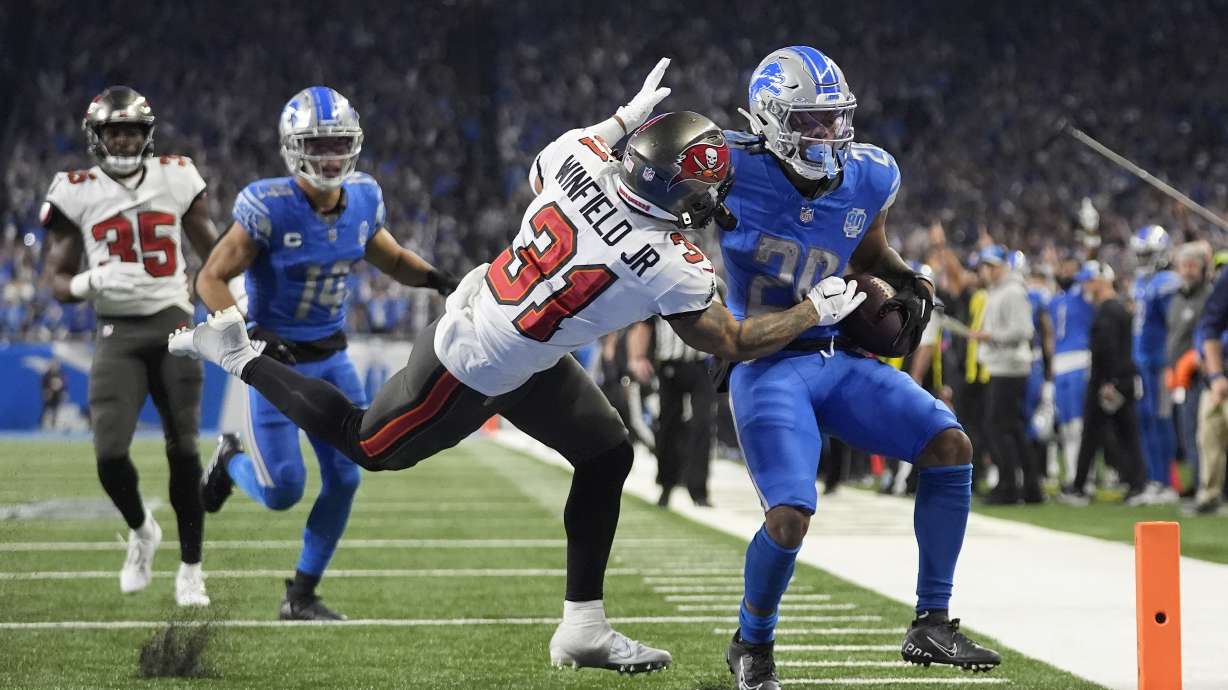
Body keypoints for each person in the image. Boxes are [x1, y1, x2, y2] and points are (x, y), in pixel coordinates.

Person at [171, 59, 867, 674]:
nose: (712, 208)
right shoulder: (664, 261)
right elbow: (734, 339)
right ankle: (242, 356)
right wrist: (814, 312)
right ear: (679, 197)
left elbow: (589, 144)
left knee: (606, 453)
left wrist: (625, 116)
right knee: (366, 444)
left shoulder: (579, 161)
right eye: (703, 196)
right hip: (474, 360)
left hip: (523, 336)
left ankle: (583, 628)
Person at [717, 47, 999, 690]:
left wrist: (908, 279)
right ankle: (752, 643)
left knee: (949, 443)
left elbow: (869, 250)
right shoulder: (727, 165)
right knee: (789, 515)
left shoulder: (867, 175)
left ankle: (933, 620)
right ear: (769, 120)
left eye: (833, 119)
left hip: (836, 355)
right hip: (767, 363)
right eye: (810, 122)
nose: (827, 135)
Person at [193, 86, 458, 620]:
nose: (330, 156)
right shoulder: (267, 206)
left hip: (334, 359)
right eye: (318, 145)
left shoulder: (362, 197)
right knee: (282, 491)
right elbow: (210, 278)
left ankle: (301, 595)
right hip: (275, 362)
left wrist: (441, 280)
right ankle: (230, 459)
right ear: (294, 148)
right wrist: (248, 340)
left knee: (348, 475)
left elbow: (393, 259)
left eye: (339, 144)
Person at [41, 86, 218, 606]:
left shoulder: (176, 176)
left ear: (147, 135)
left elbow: (214, 249)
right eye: (114, 130)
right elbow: (54, 277)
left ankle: (191, 568)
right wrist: (86, 283)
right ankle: (143, 532)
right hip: (117, 331)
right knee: (108, 453)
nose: (123, 139)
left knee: (184, 450)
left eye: (132, 131)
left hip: (173, 324)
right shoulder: (77, 190)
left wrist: (231, 298)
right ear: (96, 137)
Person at [1067, 261, 1147, 504]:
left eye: (1089, 281)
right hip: (1114, 379)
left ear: (1101, 281)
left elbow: (1109, 350)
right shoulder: (1113, 308)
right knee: (1112, 434)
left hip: (1109, 381)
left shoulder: (1109, 310)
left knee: (1117, 434)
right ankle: (1131, 484)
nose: (1085, 287)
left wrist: (1110, 382)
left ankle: (1135, 485)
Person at [972, 245, 1039, 504]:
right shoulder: (999, 291)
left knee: (997, 427)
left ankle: (1008, 486)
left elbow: (1023, 330)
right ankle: (1030, 487)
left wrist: (991, 337)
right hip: (1004, 365)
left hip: (1009, 367)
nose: (985, 272)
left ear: (1000, 267)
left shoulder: (1012, 292)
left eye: (989, 266)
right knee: (1012, 428)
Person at [627, 316, 717, 508]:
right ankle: (666, 485)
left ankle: (699, 490)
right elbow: (643, 323)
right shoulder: (661, 288)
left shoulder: (714, 288)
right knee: (668, 426)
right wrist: (637, 357)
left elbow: (725, 321)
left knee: (703, 423)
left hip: (702, 366)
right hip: (669, 365)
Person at [1131, 225, 1181, 504]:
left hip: (1161, 363)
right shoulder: (1143, 283)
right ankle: (1155, 479)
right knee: (1147, 420)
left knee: (1161, 421)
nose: (1142, 259)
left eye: (1147, 253)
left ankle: (1167, 483)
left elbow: (1172, 325)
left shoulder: (1167, 282)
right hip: (1143, 363)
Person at [1165, 242, 1212, 497]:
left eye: (1193, 265)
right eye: (1184, 266)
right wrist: (1169, 367)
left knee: (1201, 433)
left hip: (1201, 375)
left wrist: (1194, 360)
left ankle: (1206, 484)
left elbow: (1207, 334)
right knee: (1187, 432)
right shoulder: (1176, 299)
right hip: (1179, 377)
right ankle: (1196, 481)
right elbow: (1172, 336)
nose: (1188, 271)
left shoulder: (1208, 296)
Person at [1048, 258, 1096, 492]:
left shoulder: (1083, 294)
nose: (1065, 271)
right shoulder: (1057, 299)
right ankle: (1072, 475)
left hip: (1079, 359)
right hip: (1060, 363)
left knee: (1079, 424)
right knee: (1066, 426)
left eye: (1070, 268)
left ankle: (1083, 477)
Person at [1192, 255, 1228, 514]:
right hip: (1222, 377)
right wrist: (1216, 377)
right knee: (1208, 436)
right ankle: (1209, 496)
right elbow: (1210, 327)